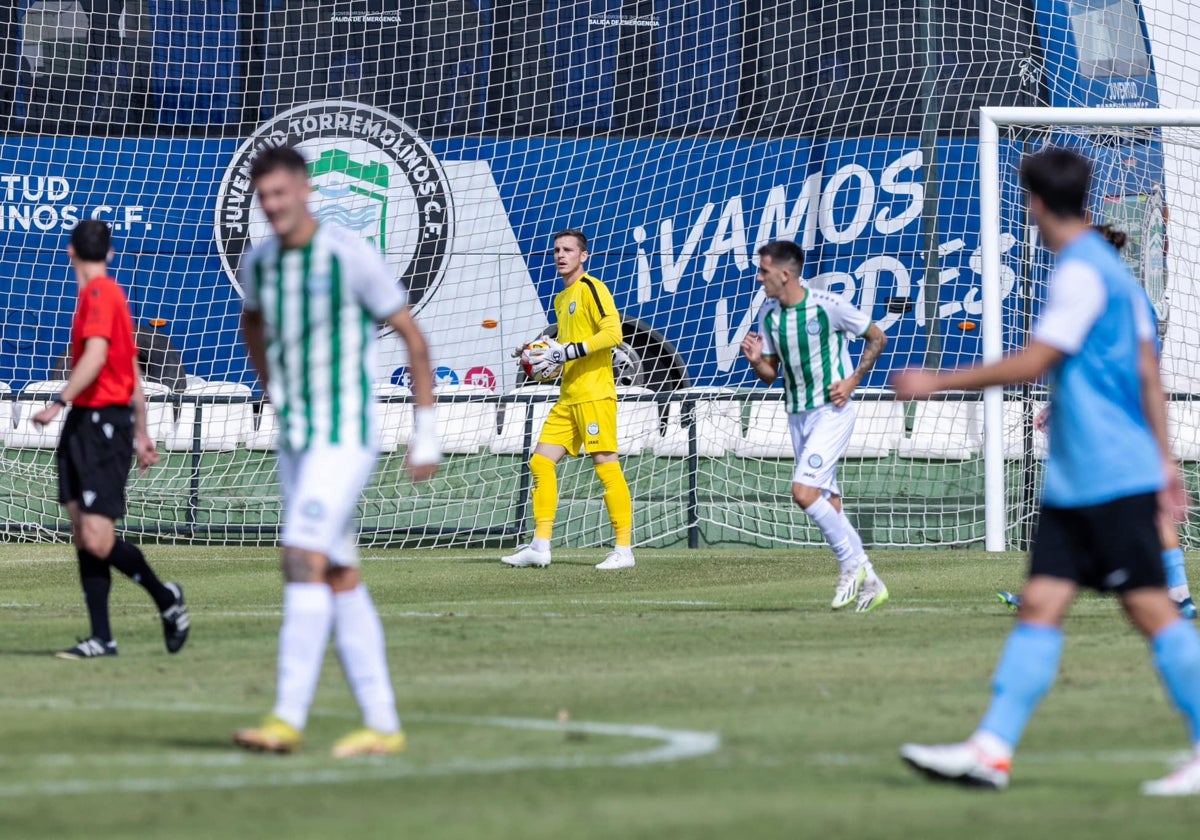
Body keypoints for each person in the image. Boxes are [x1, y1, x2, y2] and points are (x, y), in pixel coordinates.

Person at [893, 147, 1200, 796]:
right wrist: (1168, 459)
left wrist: (936, 380)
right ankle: (991, 750)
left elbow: (1036, 361)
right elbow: (1146, 373)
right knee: (1039, 604)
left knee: (1152, 611)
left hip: (1108, 476)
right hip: (1083, 479)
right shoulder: (1110, 273)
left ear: (1033, 202)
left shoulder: (1083, 271)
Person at [231, 145, 442, 758]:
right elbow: (251, 323)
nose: (271, 207)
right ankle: (383, 725)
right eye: (262, 197)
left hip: (345, 436)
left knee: (300, 556)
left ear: (303, 190)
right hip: (297, 439)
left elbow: (413, 339)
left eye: (279, 194)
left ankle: (285, 718)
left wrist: (423, 433)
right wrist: (270, 385)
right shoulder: (261, 262)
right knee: (339, 574)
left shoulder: (348, 255)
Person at [997, 222, 1195, 619]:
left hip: (1115, 417)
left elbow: (1134, 367)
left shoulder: (1114, 296)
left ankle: (1174, 595)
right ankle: (1178, 594)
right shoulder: (1122, 296)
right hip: (1117, 412)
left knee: (1091, 500)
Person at [33, 219, 190, 660]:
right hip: (87, 423)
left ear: (69, 252)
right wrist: (143, 431)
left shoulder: (102, 294)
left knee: (99, 539)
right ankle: (102, 638)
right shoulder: (100, 296)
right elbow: (132, 372)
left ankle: (166, 599)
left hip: (101, 423)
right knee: (84, 534)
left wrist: (58, 401)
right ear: (112, 252)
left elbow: (100, 356)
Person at [739, 240, 890, 612]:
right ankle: (872, 581)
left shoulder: (828, 307)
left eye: (764, 271)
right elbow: (770, 375)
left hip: (831, 412)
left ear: (785, 274)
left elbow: (877, 337)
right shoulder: (770, 314)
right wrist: (758, 362)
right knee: (829, 501)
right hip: (798, 416)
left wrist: (852, 381)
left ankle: (850, 566)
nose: (759, 278)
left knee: (803, 492)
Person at [500, 229, 635, 570]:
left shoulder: (593, 288)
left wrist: (566, 352)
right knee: (540, 462)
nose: (561, 255)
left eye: (568, 250)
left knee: (605, 464)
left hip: (594, 394)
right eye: (557, 249)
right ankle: (540, 545)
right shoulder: (562, 299)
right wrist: (536, 355)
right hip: (569, 395)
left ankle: (624, 550)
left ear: (583, 256)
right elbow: (562, 352)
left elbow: (613, 333)